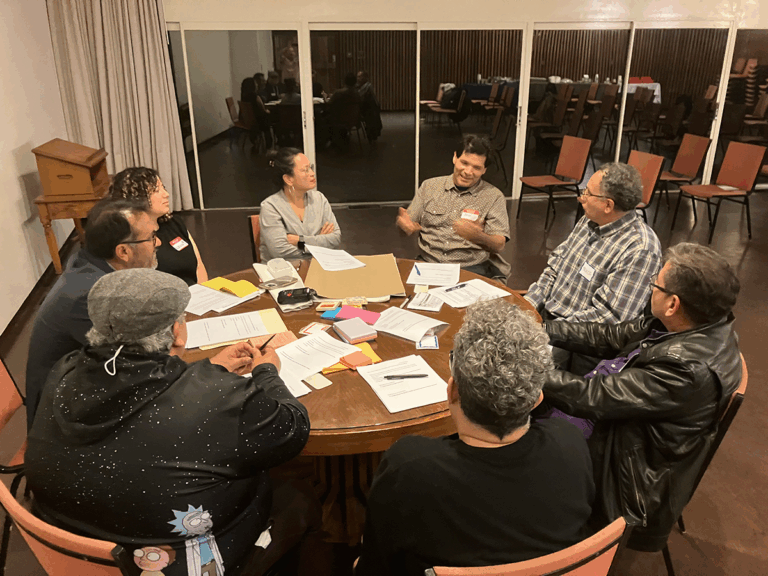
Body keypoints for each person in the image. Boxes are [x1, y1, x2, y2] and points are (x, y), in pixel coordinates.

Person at [26, 268, 320, 576]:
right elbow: (293, 427)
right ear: (177, 332)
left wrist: (205, 369)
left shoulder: (66, 370)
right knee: (298, 496)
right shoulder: (219, 399)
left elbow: (138, 392)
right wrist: (266, 373)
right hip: (184, 563)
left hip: (78, 551)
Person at [355, 300, 594, 576]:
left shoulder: (409, 468)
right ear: (536, 399)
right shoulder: (571, 443)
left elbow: (374, 566)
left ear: (452, 390)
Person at [541, 242, 742, 553]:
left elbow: (592, 397)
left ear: (673, 303)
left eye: (654, 284)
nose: (650, 289)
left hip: (622, 465)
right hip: (622, 422)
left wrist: (523, 364)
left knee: (511, 439)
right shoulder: (688, 322)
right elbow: (611, 336)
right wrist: (543, 328)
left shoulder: (686, 368)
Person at [24, 198, 159, 429]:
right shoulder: (90, 296)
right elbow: (140, 365)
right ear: (123, 251)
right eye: (152, 237)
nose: (159, 242)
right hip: (63, 422)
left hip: (85, 390)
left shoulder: (91, 264)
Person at [524, 162, 661, 373]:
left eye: (588, 193)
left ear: (608, 205)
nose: (581, 198)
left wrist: (546, 333)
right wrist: (528, 307)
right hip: (548, 323)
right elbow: (555, 267)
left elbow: (609, 318)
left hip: (581, 346)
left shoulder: (640, 248)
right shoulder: (589, 220)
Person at [396, 135, 510, 280]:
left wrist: (478, 236)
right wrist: (403, 226)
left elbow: (499, 245)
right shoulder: (429, 187)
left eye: (476, 167)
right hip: (428, 265)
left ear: (484, 170)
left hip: (470, 269)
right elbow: (407, 226)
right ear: (455, 158)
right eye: (464, 163)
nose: (468, 172)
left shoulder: (494, 196)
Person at [109, 167, 208, 286]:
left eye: (163, 188)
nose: (166, 194)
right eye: (156, 190)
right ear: (136, 198)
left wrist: (204, 294)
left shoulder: (174, 223)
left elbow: (198, 266)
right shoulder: (130, 237)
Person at [259, 148, 341, 262]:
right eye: (305, 170)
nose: (312, 173)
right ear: (288, 179)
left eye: (311, 168)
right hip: (284, 274)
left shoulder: (319, 199)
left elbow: (335, 239)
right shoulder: (270, 207)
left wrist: (299, 240)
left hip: (318, 267)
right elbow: (279, 251)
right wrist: (318, 242)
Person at [356, 70, 382, 141]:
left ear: (365, 77)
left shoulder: (367, 86)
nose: (358, 78)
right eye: (357, 77)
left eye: (360, 77)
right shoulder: (358, 86)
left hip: (368, 110)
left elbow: (360, 95)